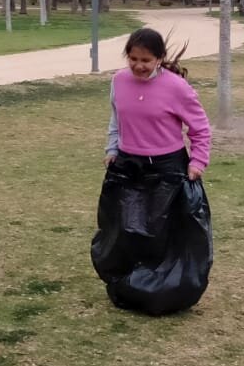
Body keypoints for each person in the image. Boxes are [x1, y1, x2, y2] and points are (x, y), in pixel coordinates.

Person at [91, 27, 214, 315]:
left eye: (145, 60)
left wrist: (198, 162)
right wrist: (112, 150)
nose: (138, 66)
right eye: (133, 59)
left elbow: (200, 129)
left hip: (166, 169)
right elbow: (116, 119)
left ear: (159, 58)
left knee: (161, 232)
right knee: (126, 229)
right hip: (128, 166)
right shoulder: (119, 81)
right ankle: (129, 286)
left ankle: (161, 290)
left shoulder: (177, 88)